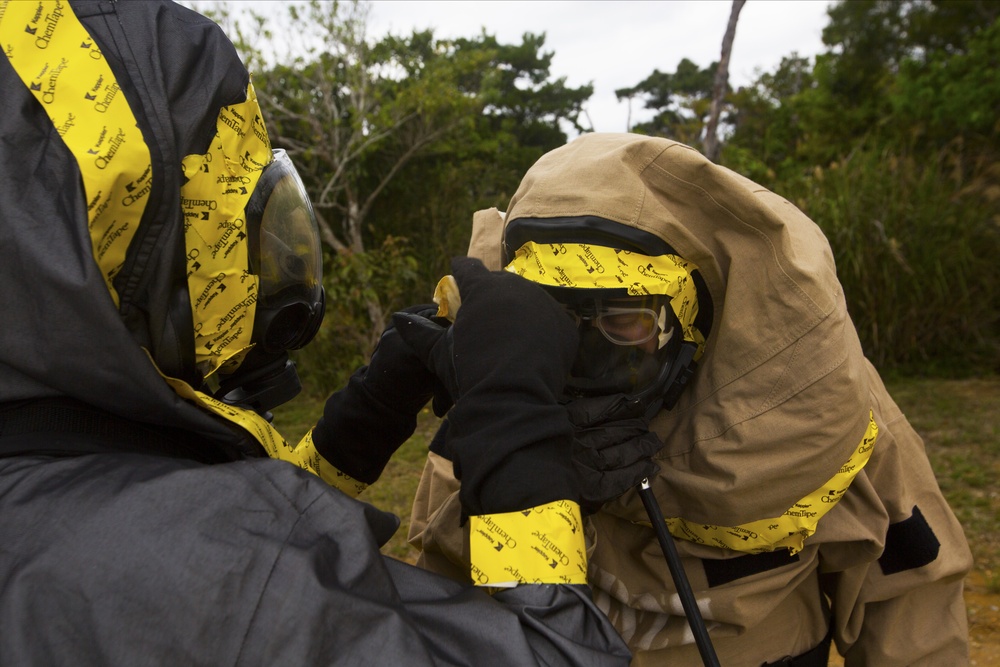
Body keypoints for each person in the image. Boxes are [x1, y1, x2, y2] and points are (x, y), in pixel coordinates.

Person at [0, 1, 631, 664]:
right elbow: (565, 653)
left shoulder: (69, 481)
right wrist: (515, 423)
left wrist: (363, 420)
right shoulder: (225, 577)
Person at [404, 133, 974, 666]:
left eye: (622, 321)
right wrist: (530, 483)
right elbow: (441, 593)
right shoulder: (496, 408)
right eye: (549, 318)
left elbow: (915, 602)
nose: (582, 355)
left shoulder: (820, 412)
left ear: (692, 323)